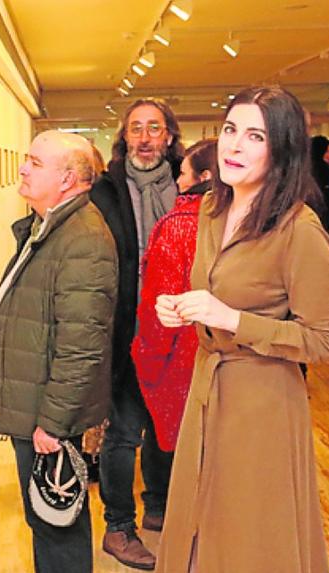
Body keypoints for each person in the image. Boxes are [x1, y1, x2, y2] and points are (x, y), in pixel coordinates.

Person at [147, 85, 329, 573]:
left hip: (262, 403)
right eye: (231, 129)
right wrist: (183, 306)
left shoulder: (299, 230)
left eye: (254, 136)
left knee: (249, 541)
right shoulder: (215, 209)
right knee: (194, 523)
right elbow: (218, 292)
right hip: (211, 389)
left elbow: (323, 340)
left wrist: (233, 318)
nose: (234, 145)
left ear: (281, 151)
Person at [0, 130, 118, 573]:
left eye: (34, 162)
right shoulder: (49, 227)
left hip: (49, 410)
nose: (22, 168)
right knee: (43, 511)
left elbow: (81, 346)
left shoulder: (82, 238)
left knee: (60, 512)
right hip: (31, 400)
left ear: (66, 177)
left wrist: (54, 423)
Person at [90, 98, 185, 569]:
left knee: (166, 427)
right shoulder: (105, 192)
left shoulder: (193, 189)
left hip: (178, 332)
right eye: (136, 129)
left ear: (169, 136)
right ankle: (118, 526)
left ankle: (161, 506)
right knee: (124, 431)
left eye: (155, 128)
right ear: (124, 137)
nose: (145, 138)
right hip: (126, 331)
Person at [130, 140, 214, 456]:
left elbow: (160, 312)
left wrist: (146, 362)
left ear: (203, 176)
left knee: (187, 465)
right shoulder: (250, 224)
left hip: (183, 365)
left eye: (183, 173)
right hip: (238, 369)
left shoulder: (178, 227)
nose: (178, 182)